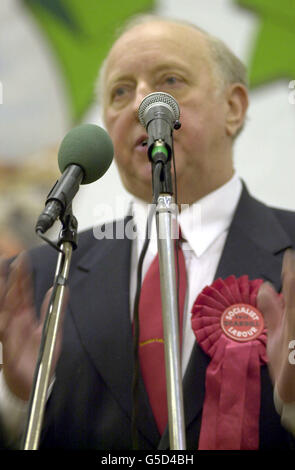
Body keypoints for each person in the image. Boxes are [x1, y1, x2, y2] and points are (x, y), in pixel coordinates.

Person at [1, 14, 295, 450]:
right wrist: (21, 404)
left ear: (233, 108)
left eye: (170, 80)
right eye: (121, 91)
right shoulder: (40, 276)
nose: (143, 103)